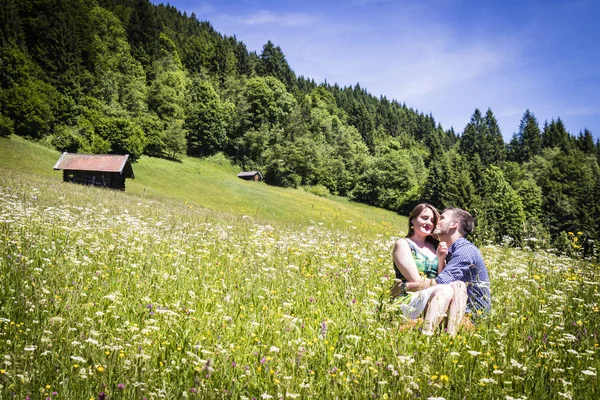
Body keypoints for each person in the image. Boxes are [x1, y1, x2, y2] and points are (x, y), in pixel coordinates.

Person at [390, 203, 467, 335]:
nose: (429, 223)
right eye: (424, 218)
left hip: (435, 293)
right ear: (412, 220)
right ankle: (426, 336)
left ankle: (451, 337)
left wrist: (441, 259)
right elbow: (417, 283)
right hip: (408, 298)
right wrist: (438, 284)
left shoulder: (435, 246)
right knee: (446, 288)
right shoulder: (403, 244)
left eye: (432, 220)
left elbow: (443, 278)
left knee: (459, 285)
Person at [434, 208, 491, 320]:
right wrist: (441, 260)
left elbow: (440, 283)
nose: (437, 221)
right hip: (457, 312)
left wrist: (405, 287)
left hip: (470, 317)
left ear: (454, 224)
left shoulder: (464, 251)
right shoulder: (452, 251)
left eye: (442, 218)